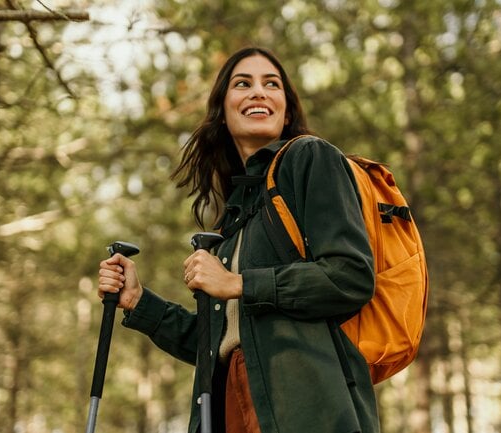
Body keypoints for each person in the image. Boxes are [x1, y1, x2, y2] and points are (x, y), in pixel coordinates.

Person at [98, 46, 378, 433]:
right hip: (231, 399)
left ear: (288, 109)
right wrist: (137, 301)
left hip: (306, 405)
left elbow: (351, 276)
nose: (259, 92)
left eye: (272, 84)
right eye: (242, 84)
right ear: (223, 112)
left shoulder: (310, 158)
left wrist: (239, 283)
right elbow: (217, 341)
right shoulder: (235, 214)